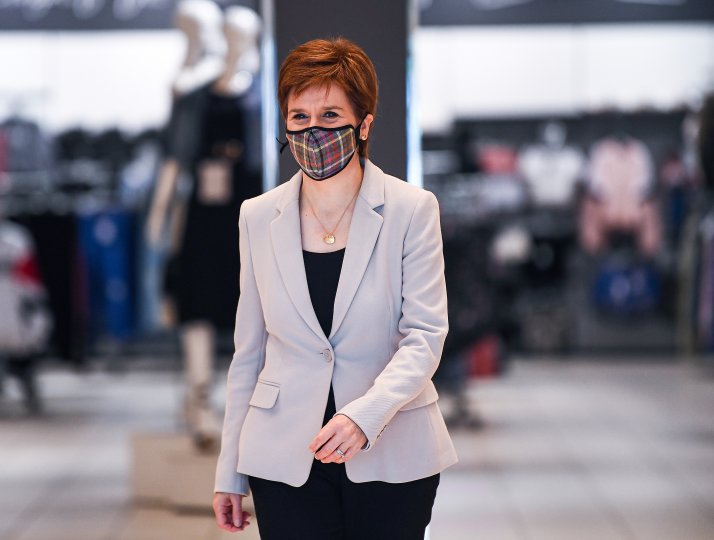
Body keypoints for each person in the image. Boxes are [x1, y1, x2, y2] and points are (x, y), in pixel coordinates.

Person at [212, 37, 458, 539]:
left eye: (330, 116)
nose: (313, 130)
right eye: (299, 117)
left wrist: (364, 417)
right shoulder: (258, 217)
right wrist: (229, 471)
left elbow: (425, 336)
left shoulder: (412, 209)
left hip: (392, 451)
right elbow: (249, 353)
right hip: (283, 456)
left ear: (364, 124)